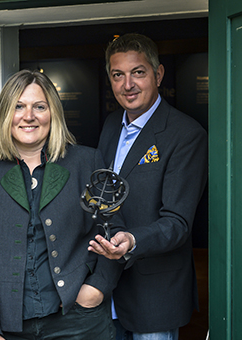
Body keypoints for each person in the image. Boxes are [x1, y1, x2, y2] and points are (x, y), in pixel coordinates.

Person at [0, 69, 120, 340]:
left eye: (39, 107)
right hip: (9, 327)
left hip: (79, 321)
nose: (29, 116)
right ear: (5, 114)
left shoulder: (87, 161)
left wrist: (97, 288)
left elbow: (114, 232)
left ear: (53, 114)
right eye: (18, 107)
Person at [88, 33, 208, 340]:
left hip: (154, 294)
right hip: (107, 287)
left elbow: (177, 223)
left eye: (138, 72)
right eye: (118, 75)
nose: (128, 85)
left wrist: (130, 239)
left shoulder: (186, 134)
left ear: (158, 74)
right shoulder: (112, 125)